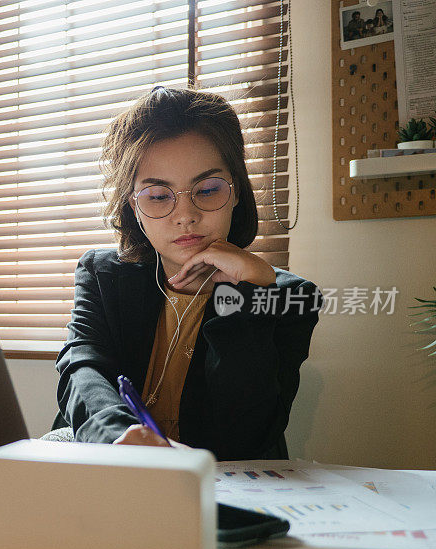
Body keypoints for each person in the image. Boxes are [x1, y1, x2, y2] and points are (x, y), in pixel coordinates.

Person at [50, 86, 322, 460]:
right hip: (114, 466)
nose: (186, 214)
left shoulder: (288, 296)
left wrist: (247, 294)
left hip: (220, 484)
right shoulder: (102, 274)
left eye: (207, 189)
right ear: (134, 206)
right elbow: (82, 369)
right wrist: (120, 438)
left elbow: (247, 435)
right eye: (159, 196)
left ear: (237, 191)